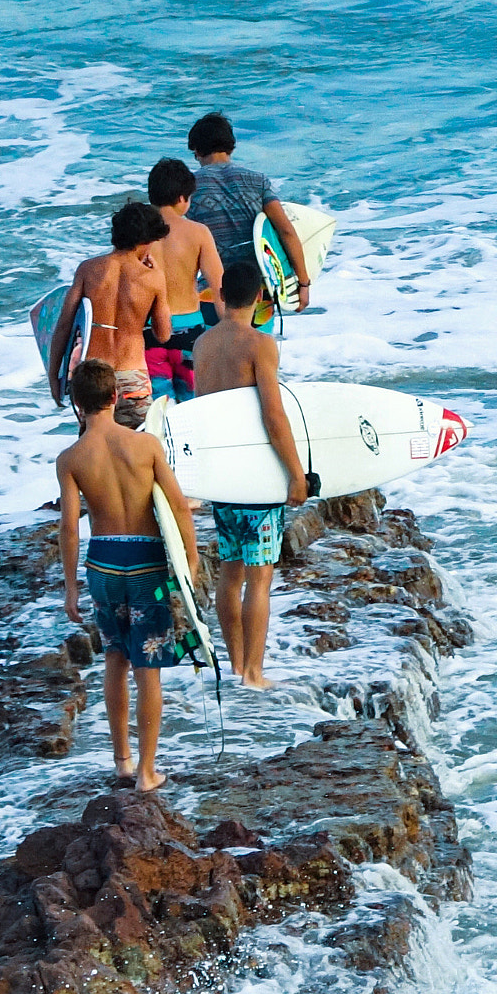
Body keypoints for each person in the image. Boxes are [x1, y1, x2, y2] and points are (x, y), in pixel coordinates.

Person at [57, 359, 200, 792]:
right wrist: (190, 562)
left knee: (115, 660)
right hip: (147, 565)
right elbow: (177, 505)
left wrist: (70, 586)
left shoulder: (71, 458)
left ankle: (122, 761)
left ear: (78, 406)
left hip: (102, 564)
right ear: (116, 398)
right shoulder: (146, 447)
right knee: (148, 668)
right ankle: (147, 770)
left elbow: (68, 525)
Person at [191, 262, 309, 690]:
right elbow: (272, 413)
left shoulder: (203, 345)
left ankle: (238, 665)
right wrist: (296, 474)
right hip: (256, 474)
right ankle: (255, 674)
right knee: (259, 578)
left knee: (231, 569)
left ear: (221, 298)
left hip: (220, 472)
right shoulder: (259, 343)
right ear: (260, 299)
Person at [185, 111, 311, 333]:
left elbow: (178, 240)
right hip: (257, 292)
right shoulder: (258, 180)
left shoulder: (188, 187)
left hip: (212, 295)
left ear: (197, 150)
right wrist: (302, 284)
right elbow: (286, 232)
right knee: (255, 358)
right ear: (231, 146)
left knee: (212, 361)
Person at [48, 202, 171, 429]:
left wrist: (54, 377)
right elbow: (163, 334)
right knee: (139, 447)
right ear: (145, 240)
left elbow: (64, 326)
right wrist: (156, 280)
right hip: (132, 374)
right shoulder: (153, 278)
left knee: (93, 448)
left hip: (93, 376)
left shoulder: (87, 269)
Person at [144, 157, 223, 403]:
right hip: (190, 335)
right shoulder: (198, 232)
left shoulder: (139, 233)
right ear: (182, 198)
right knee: (193, 408)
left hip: (150, 333)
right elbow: (219, 286)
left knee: (158, 412)